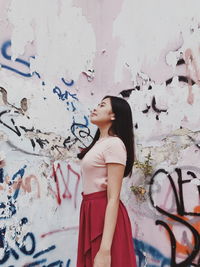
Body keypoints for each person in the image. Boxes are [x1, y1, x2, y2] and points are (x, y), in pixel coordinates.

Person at [76, 95, 137, 267]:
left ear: (113, 115)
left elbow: (113, 197)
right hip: (91, 210)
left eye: (102, 105)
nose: (95, 108)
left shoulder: (115, 144)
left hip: (104, 214)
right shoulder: (99, 144)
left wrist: (105, 250)